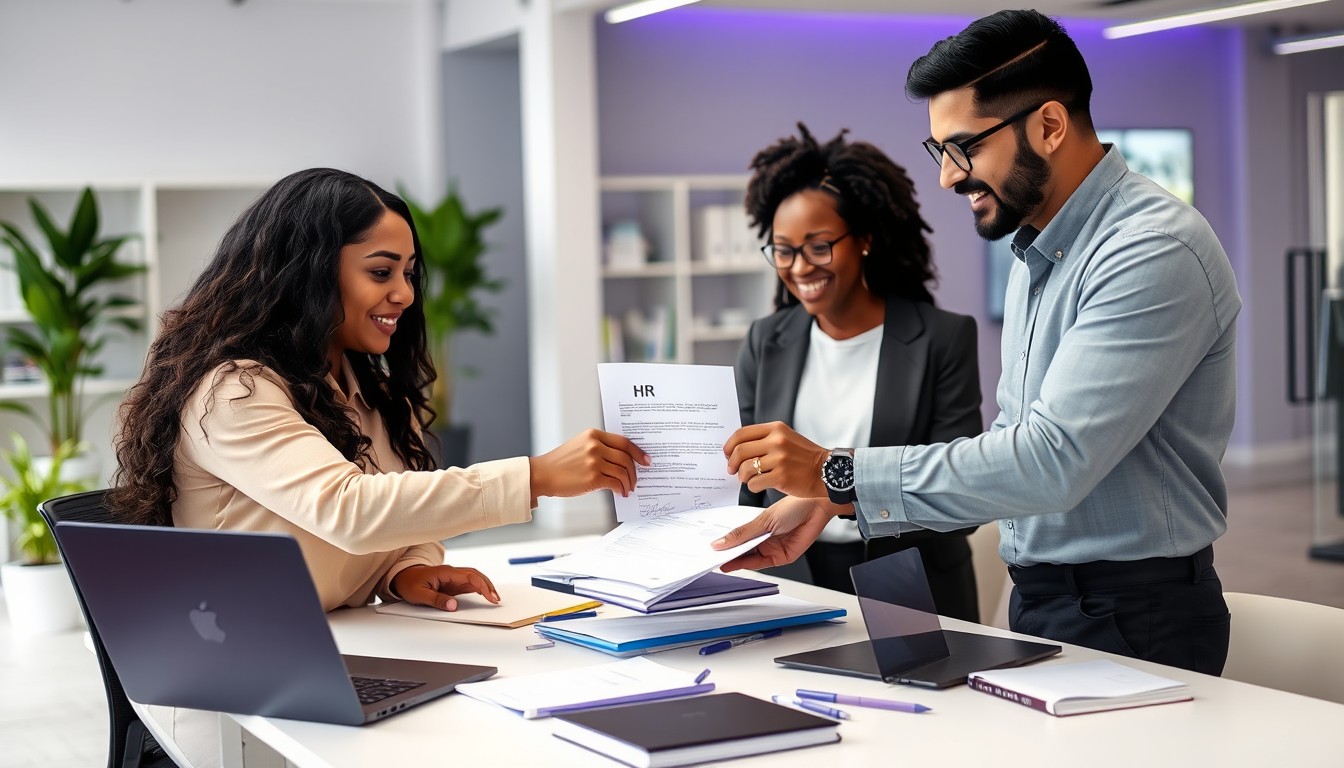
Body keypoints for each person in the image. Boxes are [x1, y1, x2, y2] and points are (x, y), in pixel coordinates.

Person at [716, 10, 1241, 675]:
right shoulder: (1036, 251)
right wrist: (830, 498)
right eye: (940, 152)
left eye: (964, 147)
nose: (947, 177)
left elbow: (1052, 462)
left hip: (1135, 611)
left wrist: (836, 472)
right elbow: (1008, 460)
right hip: (1047, 599)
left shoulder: (1149, 249)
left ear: (1049, 125)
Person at [107, 168, 649, 766]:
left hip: (334, 653)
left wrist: (405, 572)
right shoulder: (234, 392)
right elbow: (347, 509)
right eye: (380, 271)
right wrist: (535, 477)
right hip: (234, 691)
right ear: (308, 271)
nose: (405, 294)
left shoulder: (365, 388)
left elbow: (395, 514)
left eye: (408, 274)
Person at [734, 123, 983, 620]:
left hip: (911, 588)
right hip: (790, 578)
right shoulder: (767, 340)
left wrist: (836, 496)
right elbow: (743, 485)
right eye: (783, 250)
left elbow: (962, 502)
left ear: (865, 239)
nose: (800, 266)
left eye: (819, 246)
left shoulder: (941, 338)